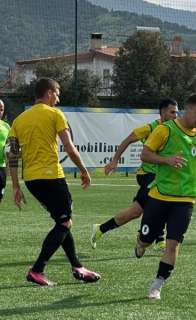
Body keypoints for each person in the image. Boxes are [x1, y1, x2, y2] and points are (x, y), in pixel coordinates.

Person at [8, 78, 100, 286]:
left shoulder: (19, 120)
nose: (58, 99)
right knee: (65, 222)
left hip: (32, 180)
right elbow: (69, 147)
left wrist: (15, 185)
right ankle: (37, 270)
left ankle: (78, 266)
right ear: (48, 93)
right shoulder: (55, 114)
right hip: (51, 176)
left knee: (63, 222)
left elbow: (11, 155)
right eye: (57, 93)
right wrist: (84, 170)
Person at [134, 93, 196, 300]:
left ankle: (157, 284)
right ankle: (140, 242)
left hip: (185, 200)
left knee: (173, 244)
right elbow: (145, 154)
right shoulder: (165, 130)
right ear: (187, 109)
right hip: (160, 196)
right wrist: (166, 160)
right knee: (146, 240)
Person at [90, 98, 179, 250]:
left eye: (177, 112)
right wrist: (114, 161)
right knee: (160, 202)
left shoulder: (174, 129)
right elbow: (127, 140)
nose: (175, 116)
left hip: (160, 177)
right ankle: (158, 239)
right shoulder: (150, 128)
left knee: (135, 212)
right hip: (147, 175)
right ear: (163, 112)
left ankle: (100, 229)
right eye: (172, 112)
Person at [0, 99, 11, 202]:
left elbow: (9, 146)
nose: (0, 111)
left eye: (1, 109)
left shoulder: (6, 126)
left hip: (1, 167)